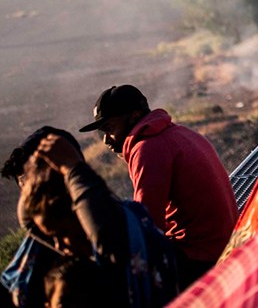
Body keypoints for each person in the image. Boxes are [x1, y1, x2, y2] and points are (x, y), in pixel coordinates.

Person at [79, 85, 238, 289]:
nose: (106, 140)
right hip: (225, 245)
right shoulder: (182, 133)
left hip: (199, 258)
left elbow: (147, 223)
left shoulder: (147, 148)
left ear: (135, 117)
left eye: (110, 129)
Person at [5, 128, 179, 307]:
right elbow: (28, 221)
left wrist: (73, 169)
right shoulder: (77, 239)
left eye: (62, 234)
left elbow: (102, 228)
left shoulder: (118, 241)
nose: (57, 246)